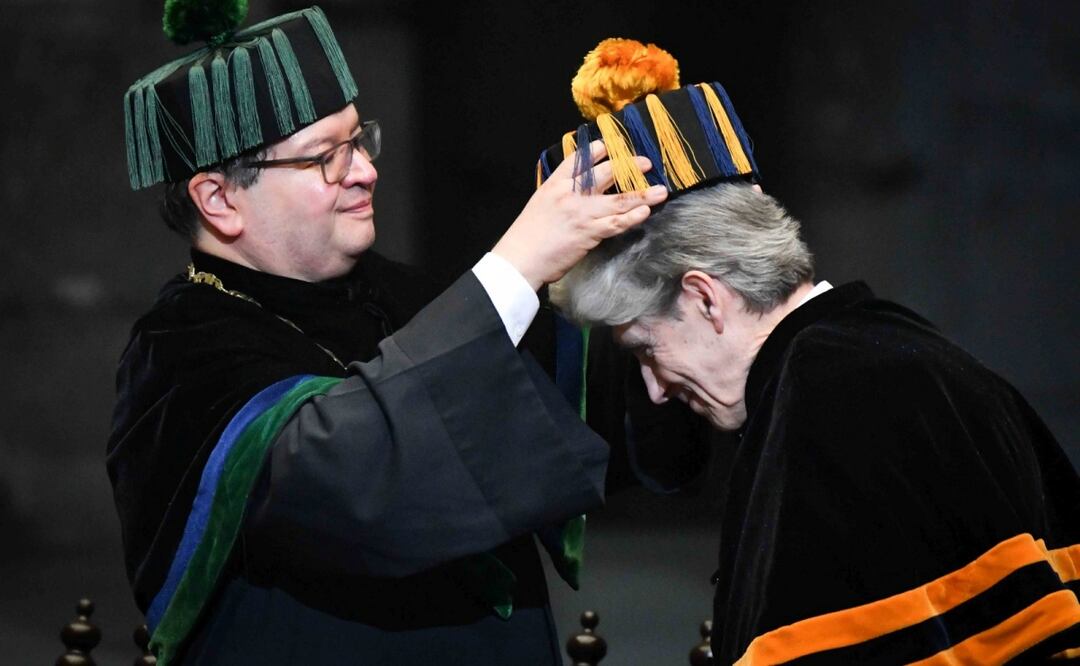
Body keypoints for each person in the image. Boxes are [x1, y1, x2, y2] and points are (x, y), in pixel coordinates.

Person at [106, 6, 668, 665]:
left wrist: (679, 275)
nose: (366, 171)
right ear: (219, 199)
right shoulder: (180, 355)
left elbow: (593, 407)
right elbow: (352, 477)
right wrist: (517, 265)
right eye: (326, 158)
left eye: (358, 139)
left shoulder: (402, 293)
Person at [552, 180, 1080, 662]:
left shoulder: (830, 392)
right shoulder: (888, 348)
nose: (654, 389)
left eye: (646, 350)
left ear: (705, 298)